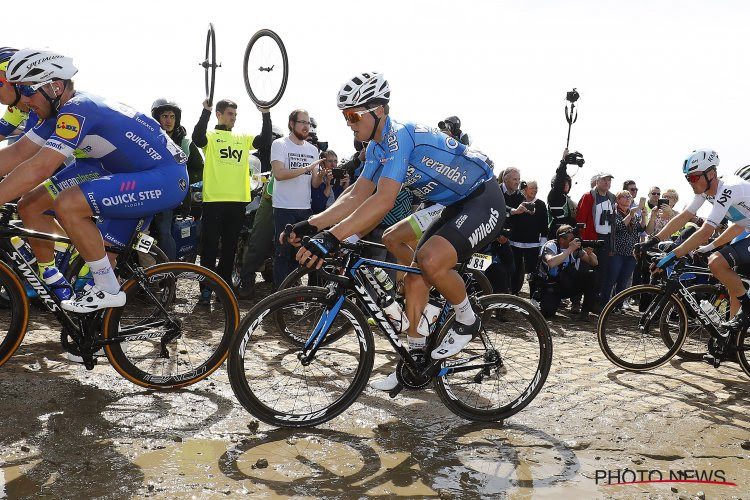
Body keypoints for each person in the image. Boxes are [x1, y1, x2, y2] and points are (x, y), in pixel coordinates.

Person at [285, 72, 502, 393]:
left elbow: (384, 201)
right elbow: (357, 195)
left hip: (481, 197)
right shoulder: (376, 147)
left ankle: (467, 318)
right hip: (448, 204)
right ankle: (416, 359)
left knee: (428, 261)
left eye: (353, 115)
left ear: (379, 111)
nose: (348, 122)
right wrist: (313, 224)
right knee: (414, 274)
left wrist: (331, 238)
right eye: (345, 115)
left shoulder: (398, 138)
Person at [0, 48, 188, 311]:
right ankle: (87, 334)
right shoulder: (57, 114)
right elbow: (16, 153)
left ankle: (108, 289)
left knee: (68, 204)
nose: (25, 101)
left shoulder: (78, 109)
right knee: (33, 203)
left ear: (54, 87)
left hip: (163, 178)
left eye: (29, 90)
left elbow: (40, 167)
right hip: (120, 173)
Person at [647, 149, 750, 337]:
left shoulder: (728, 188)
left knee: (717, 262)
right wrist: (653, 240)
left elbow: (707, 230)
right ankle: (733, 344)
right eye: (688, 178)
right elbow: (685, 217)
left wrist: (671, 256)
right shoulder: (706, 190)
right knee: (734, 285)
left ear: (711, 174)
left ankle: (749, 309)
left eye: (694, 177)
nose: (691, 182)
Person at [192, 98, 272, 303]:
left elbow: (264, 140)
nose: (234, 118)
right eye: (230, 114)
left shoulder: (241, 137)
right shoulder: (211, 136)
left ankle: (223, 287)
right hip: (214, 201)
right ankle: (206, 289)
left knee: (229, 248)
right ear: (219, 114)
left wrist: (265, 113)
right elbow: (197, 137)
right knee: (209, 247)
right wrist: (205, 111)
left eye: (235, 115)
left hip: (237, 202)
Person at [271, 109, 325, 288]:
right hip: (284, 207)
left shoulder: (313, 150)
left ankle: (293, 294)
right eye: (302, 122)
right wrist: (306, 169)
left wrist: (322, 175)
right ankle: (278, 296)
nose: (306, 127)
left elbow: (315, 183)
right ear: (291, 124)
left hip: (304, 208)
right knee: (282, 252)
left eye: (308, 123)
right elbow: (279, 174)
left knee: (301, 252)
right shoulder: (280, 144)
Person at [150, 98, 203, 260]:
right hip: (150, 193)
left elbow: (198, 169)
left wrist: (185, 184)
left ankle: (170, 273)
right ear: (157, 118)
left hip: (175, 196)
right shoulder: (151, 138)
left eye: (172, 116)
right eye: (164, 116)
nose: (168, 120)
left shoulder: (186, 142)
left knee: (165, 232)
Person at [535, 225, 598, 319]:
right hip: (552, 285)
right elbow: (551, 263)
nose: (574, 241)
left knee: (592, 276)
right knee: (547, 313)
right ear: (561, 240)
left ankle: (585, 312)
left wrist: (590, 253)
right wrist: (570, 249)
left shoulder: (575, 248)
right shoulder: (551, 246)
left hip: (568, 283)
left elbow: (594, 263)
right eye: (571, 239)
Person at [576, 171, 616, 307]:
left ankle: (592, 303)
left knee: (601, 273)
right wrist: (585, 240)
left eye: (609, 180)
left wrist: (611, 245)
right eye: (604, 180)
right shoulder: (588, 197)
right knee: (585, 271)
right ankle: (577, 301)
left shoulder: (612, 198)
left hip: (605, 240)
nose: (607, 183)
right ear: (597, 181)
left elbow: (613, 223)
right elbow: (581, 218)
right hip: (591, 238)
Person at [600, 190, 645, 306]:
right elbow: (618, 227)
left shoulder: (632, 214)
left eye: (629, 197)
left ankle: (618, 305)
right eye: (624, 197)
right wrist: (630, 215)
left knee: (623, 281)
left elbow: (641, 229)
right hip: (617, 252)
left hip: (631, 253)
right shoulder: (614, 212)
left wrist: (644, 216)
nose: (628, 199)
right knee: (611, 279)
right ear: (618, 199)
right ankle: (604, 304)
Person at [509, 180, 548, 295]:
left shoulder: (540, 204)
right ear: (525, 189)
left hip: (533, 244)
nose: (534, 190)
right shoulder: (518, 202)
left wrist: (543, 240)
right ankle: (513, 293)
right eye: (532, 188)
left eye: (536, 188)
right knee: (515, 269)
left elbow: (544, 224)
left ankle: (533, 296)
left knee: (533, 271)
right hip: (515, 242)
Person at [547, 149, 578, 240]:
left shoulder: (567, 198)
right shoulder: (555, 195)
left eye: (568, 183)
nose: (566, 185)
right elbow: (560, 177)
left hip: (568, 231)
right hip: (558, 232)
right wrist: (563, 161)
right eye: (563, 183)